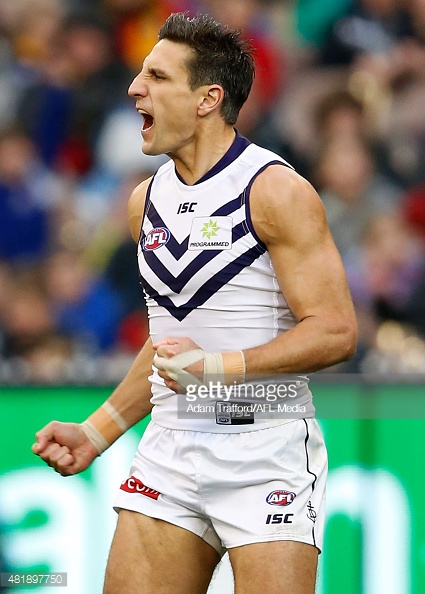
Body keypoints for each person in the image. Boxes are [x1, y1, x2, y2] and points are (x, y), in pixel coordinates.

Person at [32, 12, 358, 594]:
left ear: (208, 98)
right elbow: (166, 344)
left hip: (267, 449)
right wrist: (99, 430)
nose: (135, 88)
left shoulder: (275, 189)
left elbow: (335, 331)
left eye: (156, 76)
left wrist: (216, 370)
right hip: (172, 447)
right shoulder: (142, 202)